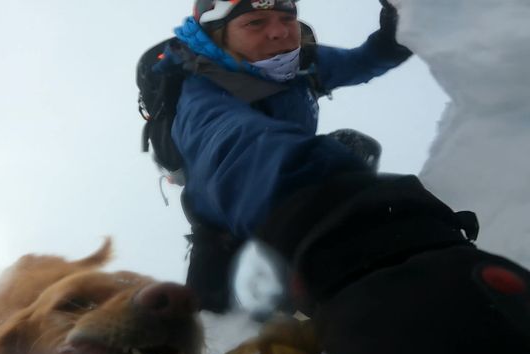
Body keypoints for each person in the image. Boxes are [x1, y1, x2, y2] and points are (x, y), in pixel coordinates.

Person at [162, 0, 412, 312]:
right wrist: (323, 199)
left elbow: (363, 62)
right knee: (217, 334)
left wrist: (397, 29)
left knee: (354, 147)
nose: (279, 32)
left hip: (288, 194)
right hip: (226, 227)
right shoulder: (202, 90)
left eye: (286, 18)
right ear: (218, 36)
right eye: (255, 23)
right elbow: (234, 146)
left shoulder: (300, 65)